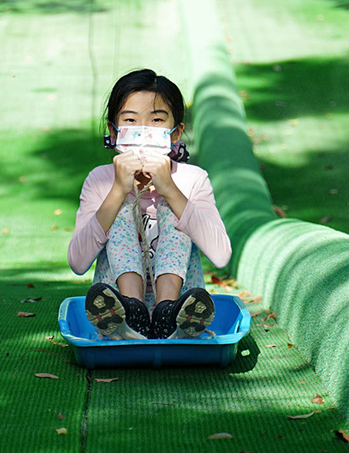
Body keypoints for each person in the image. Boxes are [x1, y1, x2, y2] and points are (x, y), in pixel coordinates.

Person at [68, 69, 231, 340]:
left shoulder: (192, 179)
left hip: (182, 312)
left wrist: (170, 190)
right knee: (117, 210)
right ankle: (132, 311)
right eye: (131, 120)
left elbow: (221, 255)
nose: (143, 131)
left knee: (175, 209)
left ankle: (167, 311)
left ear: (176, 133)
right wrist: (118, 190)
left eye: (156, 120)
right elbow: (77, 262)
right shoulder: (100, 180)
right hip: (116, 316)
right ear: (114, 131)